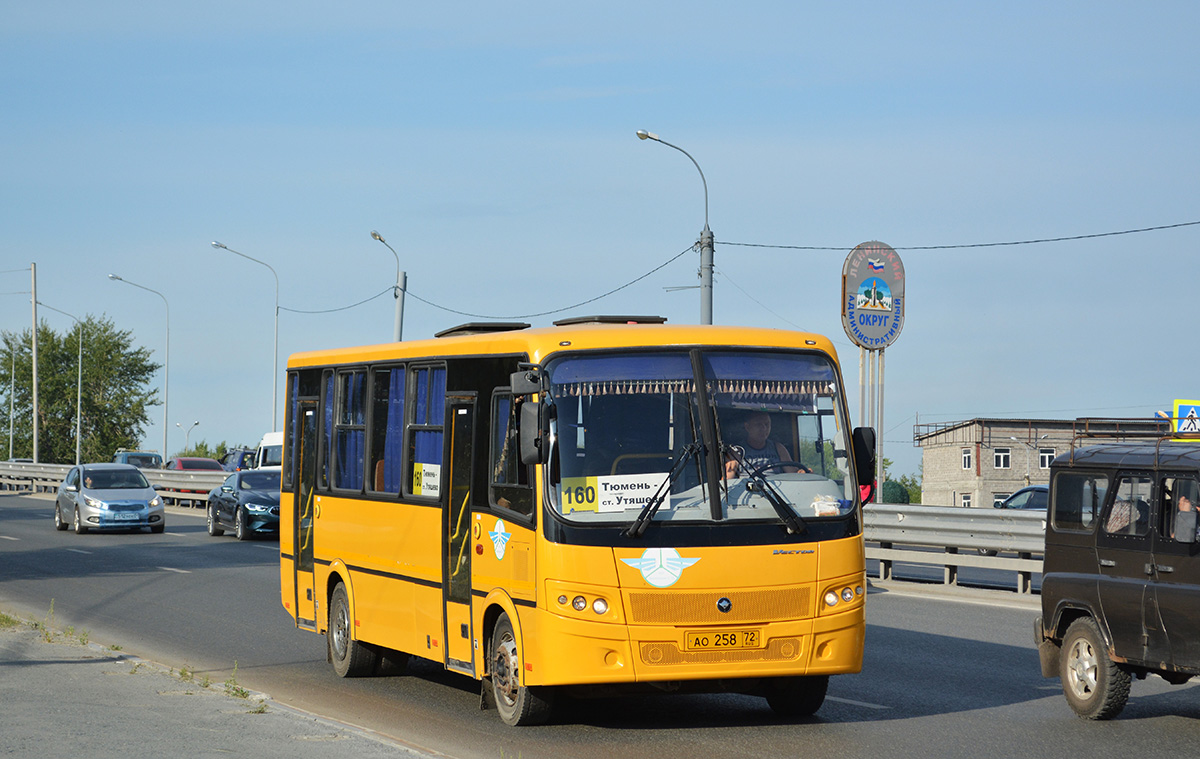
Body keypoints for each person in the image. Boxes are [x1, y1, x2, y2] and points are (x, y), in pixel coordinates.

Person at [724, 411, 810, 478]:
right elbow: (728, 481)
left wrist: (803, 473)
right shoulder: (737, 451)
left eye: (767, 424)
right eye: (759, 425)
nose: (764, 428)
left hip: (777, 494)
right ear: (747, 427)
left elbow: (793, 473)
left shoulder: (778, 448)